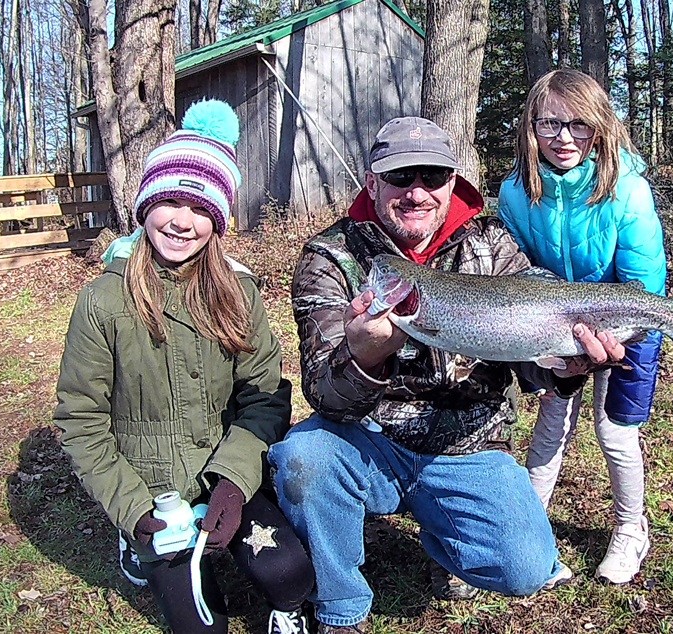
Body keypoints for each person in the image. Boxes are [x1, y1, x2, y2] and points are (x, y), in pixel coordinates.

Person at [267, 116, 626, 633]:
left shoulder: (493, 245)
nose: (417, 192)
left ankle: (444, 535)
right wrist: (364, 357)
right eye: (400, 177)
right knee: (304, 459)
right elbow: (325, 396)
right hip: (366, 439)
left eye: (432, 176)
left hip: (469, 442)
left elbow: (531, 364)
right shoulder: (332, 257)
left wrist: (568, 366)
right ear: (372, 182)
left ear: (452, 182)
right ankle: (340, 606)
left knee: (525, 568)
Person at [54, 100, 315, 634]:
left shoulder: (238, 293)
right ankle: (136, 548)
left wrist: (233, 484)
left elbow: (265, 395)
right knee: (201, 628)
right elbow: (81, 421)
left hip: (223, 471)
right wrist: (132, 509)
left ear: (217, 220)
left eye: (200, 207)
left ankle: (286, 611)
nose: (182, 221)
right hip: (151, 491)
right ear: (145, 205)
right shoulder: (102, 301)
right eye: (169, 201)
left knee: (289, 574)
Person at [498, 69, 667, 584]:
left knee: (615, 432)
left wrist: (613, 340)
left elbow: (644, 283)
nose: (564, 138)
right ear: (531, 127)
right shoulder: (514, 193)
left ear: (599, 126)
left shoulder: (628, 190)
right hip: (550, 327)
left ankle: (630, 529)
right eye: (549, 124)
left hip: (626, 327)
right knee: (550, 424)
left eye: (578, 124)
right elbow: (514, 271)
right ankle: (529, 527)